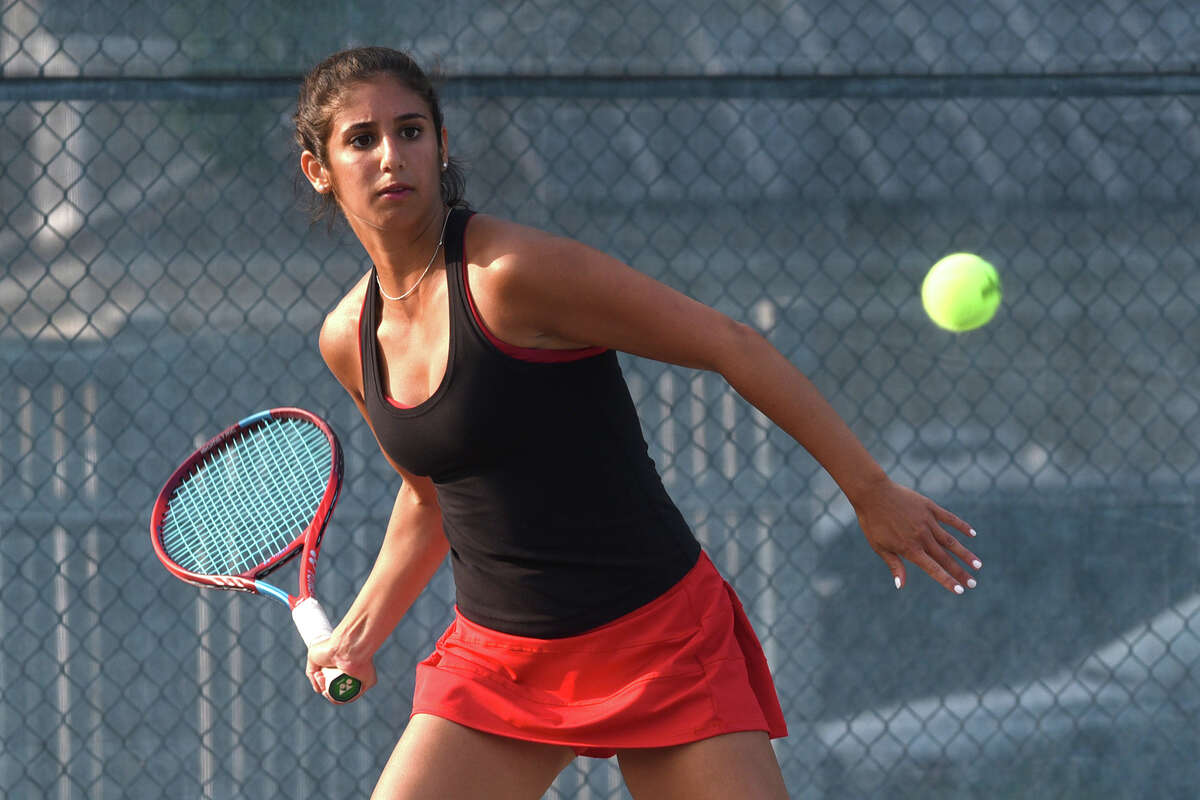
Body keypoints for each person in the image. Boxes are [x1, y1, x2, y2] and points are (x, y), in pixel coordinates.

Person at [295, 46, 982, 800]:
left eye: (411, 130)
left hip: (657, 641)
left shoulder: (515, 275)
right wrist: (361, 628)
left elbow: (731, 344)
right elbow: (431, 497)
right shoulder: (346, 338)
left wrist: (870, 489)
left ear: (442, 144)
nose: (392, 155)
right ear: (319, 169)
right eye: (362, 139)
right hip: (499, 663)